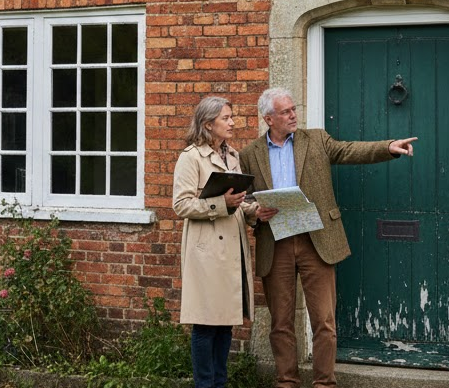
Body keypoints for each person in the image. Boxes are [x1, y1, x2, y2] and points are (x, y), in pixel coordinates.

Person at [238, 87, 417, 388]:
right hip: (275, 242)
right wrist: (254, 211)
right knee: (281, 323)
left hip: (315, 241)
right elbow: (241, 199)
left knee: (324, 321)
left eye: (293, 109)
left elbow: (350, 151)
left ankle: (324, 383)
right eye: (285, 112)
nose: (293, 115)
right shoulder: (249, 155)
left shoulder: (316, 140)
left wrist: (388, 147)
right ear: (268, 118)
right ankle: (286, 382)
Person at [172, 96, 258, 388]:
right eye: (226, 118)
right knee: (206, 324)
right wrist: (221, 203)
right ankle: (205, 384)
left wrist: (255, 211)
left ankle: (220, 383)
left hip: (232, 248)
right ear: (209, 124)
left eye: (232, 117)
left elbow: (237, 203)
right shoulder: (191, 157)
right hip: (206, 251)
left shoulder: (232, 156)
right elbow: (181, 205)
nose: (232, 122)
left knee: (225, 323)